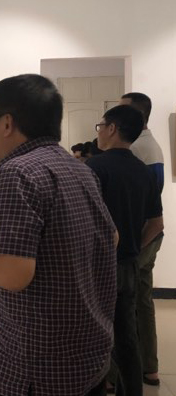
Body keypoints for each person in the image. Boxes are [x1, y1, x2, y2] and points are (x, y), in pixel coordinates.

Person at [0, 74, 117, 396]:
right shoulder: (80, 169)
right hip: (90, 352)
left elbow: (14, 274)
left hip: (39, 366)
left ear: (7, 123)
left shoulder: (17, 171)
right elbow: (110, 238)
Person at [86, 105, 163, 396]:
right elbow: (156, 223)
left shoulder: (94, 168)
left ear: (112, 128)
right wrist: (132, 247)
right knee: (126, 337)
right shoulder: (143, 171)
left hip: (97, 267)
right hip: (129, 264)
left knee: (93, 338)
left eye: (100, 126)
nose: (99, 132)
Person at [120, 92, 164, 387]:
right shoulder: (150, 145)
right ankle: (149, 368)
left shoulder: (137, 149)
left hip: (141, 237)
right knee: (142, 303)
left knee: (127, 305)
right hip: (150, 234)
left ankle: (122, 374)